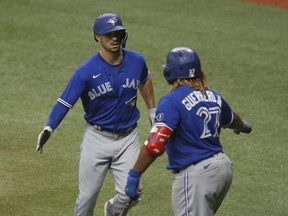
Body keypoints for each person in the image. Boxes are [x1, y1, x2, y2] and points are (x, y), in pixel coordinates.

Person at [36, 13, 156, 216]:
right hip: (97, 139)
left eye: (118, 33)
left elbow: (145, 80)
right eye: (108, 34)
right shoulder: (86, 71)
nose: (114, 38)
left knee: (132, 192)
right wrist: (49, 127)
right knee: (87, 198)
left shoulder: (136, 60)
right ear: (97, 37)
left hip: (128, 138)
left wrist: (152, 110)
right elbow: (64, 102)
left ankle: (112, 210)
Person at [125, 47, 252, 216]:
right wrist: (243, 127)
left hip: (197, 175)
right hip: (223, 170)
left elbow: (155, 145)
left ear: (171, 72)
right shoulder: (213, 96)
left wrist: (134, 175)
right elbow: (232, 119)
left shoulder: (172, 101)